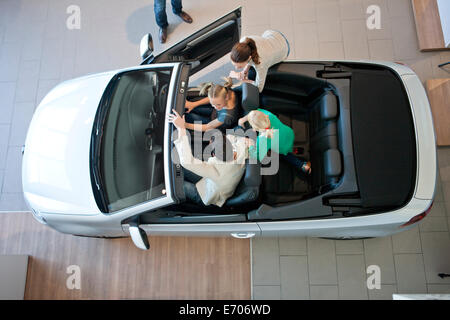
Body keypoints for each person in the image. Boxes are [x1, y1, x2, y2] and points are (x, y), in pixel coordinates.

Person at [168, 109, 250, 207]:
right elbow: (234, 138)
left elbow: (187, 161)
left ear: (213, 155)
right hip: (215, 179)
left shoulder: (216, 169)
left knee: (175, 185)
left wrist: (181, 128)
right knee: (178, 166)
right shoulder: (242, 148)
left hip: (208, 194)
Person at [239, 109, 311, 174]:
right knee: (288, 145)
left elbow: (257, 155)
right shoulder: (269, 115)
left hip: (282, 148)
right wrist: (243, 119)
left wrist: (250, 144)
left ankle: (302, 166)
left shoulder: (262, 139)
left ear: (255, 129)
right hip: (289, 134)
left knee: (286, 156)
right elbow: (257, 112)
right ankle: (295, 151)